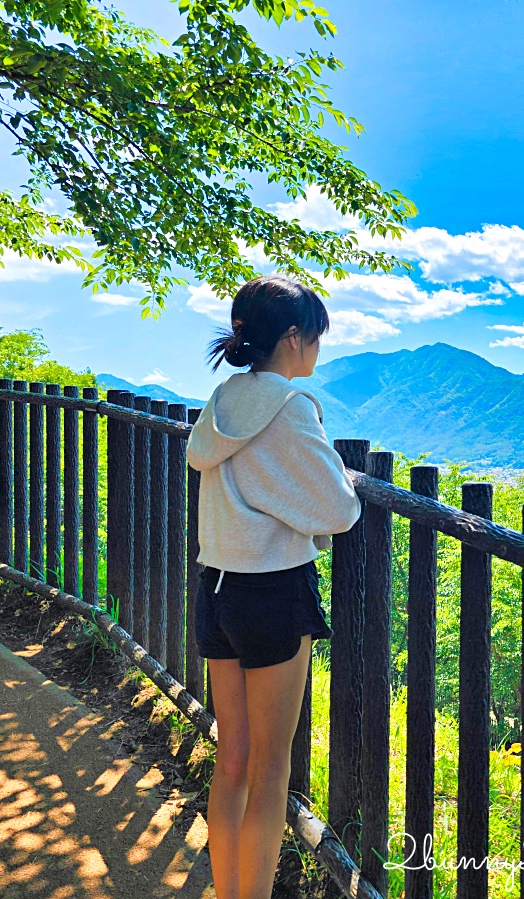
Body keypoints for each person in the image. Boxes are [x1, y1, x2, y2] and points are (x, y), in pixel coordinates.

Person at [187, 274, 361, 899]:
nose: (317, 349)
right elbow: (337, 510)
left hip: (217, 588)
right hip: (274, 592)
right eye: (314, 337)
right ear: (292, 338)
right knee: (270, 771)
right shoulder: (290, 408)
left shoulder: (221, 404)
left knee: (231, 760)